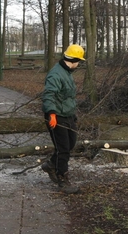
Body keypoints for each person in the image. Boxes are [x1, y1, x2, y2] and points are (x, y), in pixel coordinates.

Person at [40, 44, 85, 194]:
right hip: (56, 116)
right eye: (79, 61)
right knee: (63, 149)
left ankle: (51, 165)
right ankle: (62, 179)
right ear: (73, 59)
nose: (79, 65)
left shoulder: (67, 72)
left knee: (71, 143)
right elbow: (48, 95)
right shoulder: (56, 74)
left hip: (68, 115)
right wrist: (51, 114)